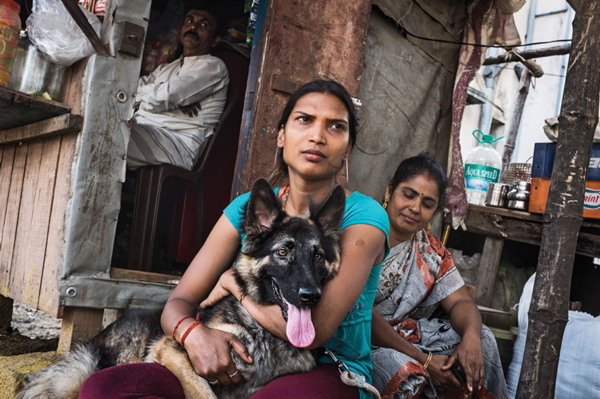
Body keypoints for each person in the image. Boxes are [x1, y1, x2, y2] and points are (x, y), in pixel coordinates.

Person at [80, 79, 389, 398]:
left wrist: (234, 287)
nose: (317, 136)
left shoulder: (364, 216)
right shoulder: (246, 209)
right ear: (281, 135)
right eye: (304, 119)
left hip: (326, 365)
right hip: (240, 345)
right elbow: (178, 303)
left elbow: (312, 334)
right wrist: (194, 335)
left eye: (336, 126)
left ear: (348, 147)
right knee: (104, 387)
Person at [371, 154, 508, 399]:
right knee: (408, 374)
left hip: (405, 336)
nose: (415, 208)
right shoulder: (364, 232)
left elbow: (460, 301)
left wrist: (471, 339)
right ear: (390, 190)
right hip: (361, 339)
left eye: (427, 203)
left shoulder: (430, 251)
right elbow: (358, 312)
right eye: (409, 194)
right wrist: (425, 361)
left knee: (483, 339)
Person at [127, 1, 229, 171]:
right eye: (189, 21)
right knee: (109, 127)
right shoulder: (168, 67)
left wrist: (162, 98)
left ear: (215, 40)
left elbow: (163, 97)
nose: (193, 26)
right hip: (147, 128)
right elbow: (130, 91)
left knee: (111, 133)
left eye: (204, 24)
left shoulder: (213, 67)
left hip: (177, 143)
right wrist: (170, 100)